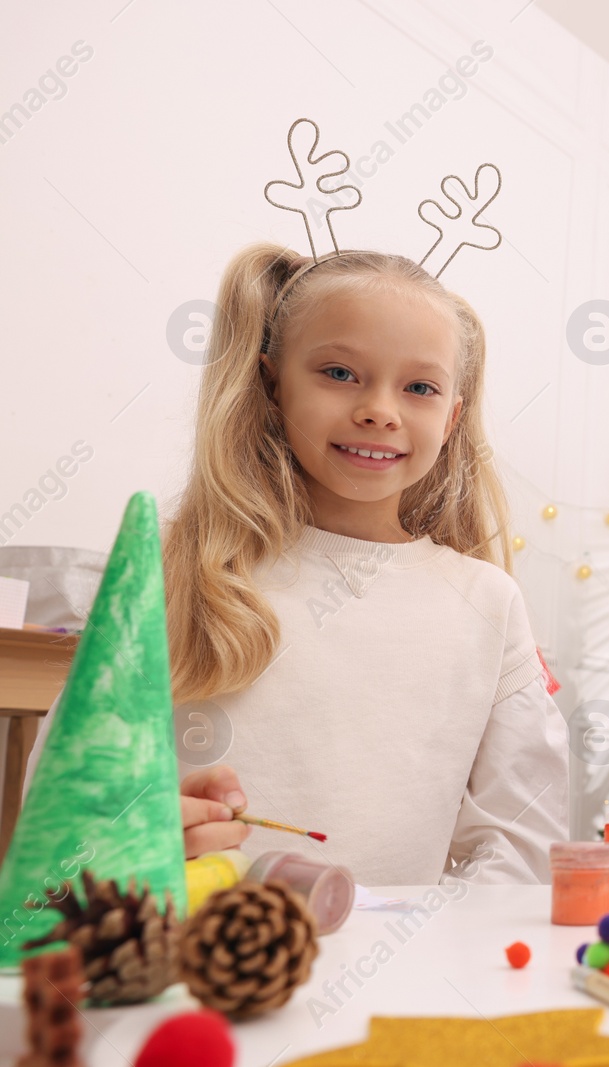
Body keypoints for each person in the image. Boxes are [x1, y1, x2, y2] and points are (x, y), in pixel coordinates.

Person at [163, 243, 568, 884]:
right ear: (271, 382)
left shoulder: (488, 603)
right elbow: (68, 817)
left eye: (420, 387)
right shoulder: (177, 576)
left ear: (452, 416)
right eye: (340, 373)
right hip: (195, 968)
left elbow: (519, 851)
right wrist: (133, 842)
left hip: (404, 980)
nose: (380, 409)